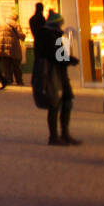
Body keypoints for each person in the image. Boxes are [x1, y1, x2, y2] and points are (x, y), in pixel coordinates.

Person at [36, 11, 80, 146]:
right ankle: (54, 136)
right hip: (52, 74)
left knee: (66, 101)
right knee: (55, 103)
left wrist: (68, 59)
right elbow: (56, 56)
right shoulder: (49, 36)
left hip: (59, 73)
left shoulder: (54, 35)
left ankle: (63, 134)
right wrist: (70, 60)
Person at [0, 10, 27, 86]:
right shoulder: (16, 24)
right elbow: (20, 35)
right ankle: (19, 80)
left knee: (6, 65)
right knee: (16, 65)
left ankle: (8, 80)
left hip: (2, 47)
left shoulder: (1, 23)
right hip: (13, 47)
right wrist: (24, 36)